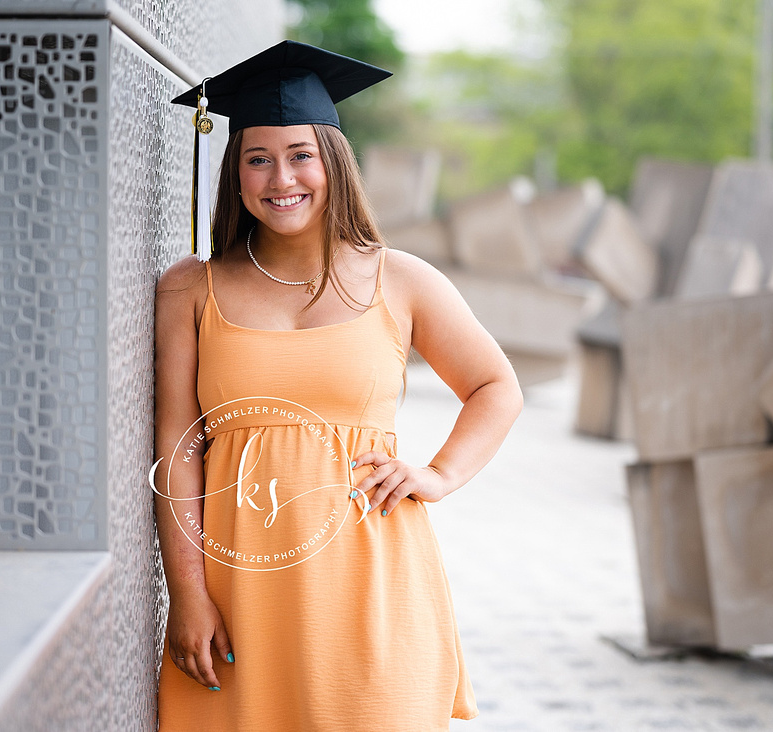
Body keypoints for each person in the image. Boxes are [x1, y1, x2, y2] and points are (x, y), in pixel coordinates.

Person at [153, 40, 522, 731]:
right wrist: (188, 594)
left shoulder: (401, 280)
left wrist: (438, 475)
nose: (280, 177)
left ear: (334, 162)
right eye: (257, 158)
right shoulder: (190, 289)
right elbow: (179, 448)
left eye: (301, 155)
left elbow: (496, 386)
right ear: (235, 173)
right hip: (242, 591)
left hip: (373, 583)